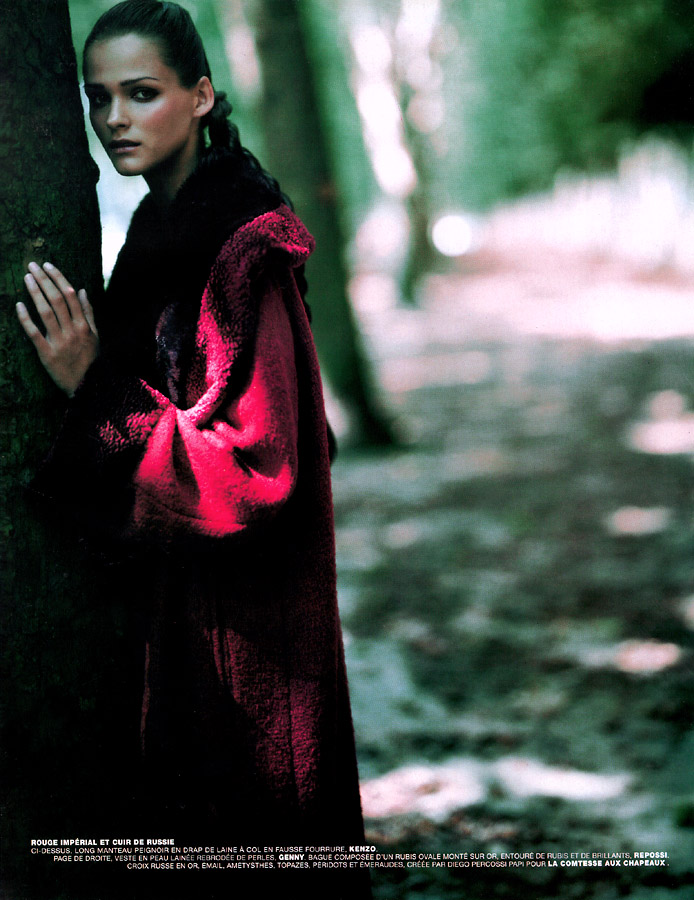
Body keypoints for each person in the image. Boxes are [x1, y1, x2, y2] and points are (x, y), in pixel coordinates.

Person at [16, 1, 368, 894]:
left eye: (142, 93)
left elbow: (260, 468)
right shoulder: (155, 234)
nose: (114, 119)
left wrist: (95, 389)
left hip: (252, 639)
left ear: (202, 96)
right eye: (98, 98)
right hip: (173, 624)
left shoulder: (243, 243)